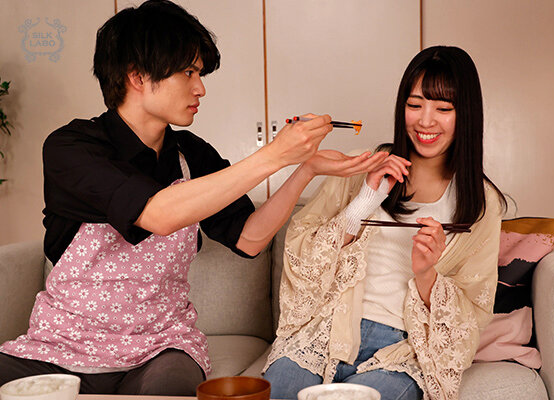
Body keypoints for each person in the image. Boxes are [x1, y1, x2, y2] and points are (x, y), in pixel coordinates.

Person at [0, 0, 389, 395]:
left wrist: (304, 169)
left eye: (199, 74)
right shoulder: (72, 147)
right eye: (188, 72)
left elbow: (250, 239)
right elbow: (158, 215)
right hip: (57, 347)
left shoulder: (192, 155)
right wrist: (274, 154)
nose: (200, 88)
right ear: (137, 76)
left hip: (161, 349)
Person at [263, 45, 507, 400]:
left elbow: (472, 314)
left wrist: (426, 273)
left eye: (443, 109)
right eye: (414, 105)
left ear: (466, 114)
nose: (425, 121)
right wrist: (364, 201)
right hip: (328, 332)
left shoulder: (482, 204)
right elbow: (301, 257)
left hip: (400, 351)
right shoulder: (361, 167)